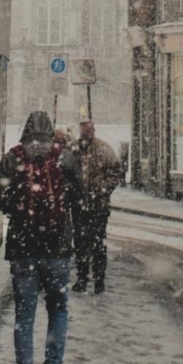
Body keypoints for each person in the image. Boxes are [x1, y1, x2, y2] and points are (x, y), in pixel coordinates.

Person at [0, 111, 82, 364]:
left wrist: (16, 209)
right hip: (58, 248)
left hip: (23, 248)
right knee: (58, 310)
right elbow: (80, 195)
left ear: (26, 130)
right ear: (51, 131)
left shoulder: (13, 157)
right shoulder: (64, 157)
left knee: (24, 315)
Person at [71, 118, 123, 294]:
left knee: (97, 244)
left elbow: (116, 171)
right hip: (79, 207)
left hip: (98, 207)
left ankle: (99, 279)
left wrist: (103, 190)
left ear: (94, 131)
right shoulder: (73, 149)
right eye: (83, 131)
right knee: (80, 244)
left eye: (89, 131)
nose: (86, 134)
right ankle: (82, 278)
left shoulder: (104, 149)